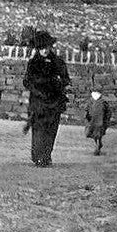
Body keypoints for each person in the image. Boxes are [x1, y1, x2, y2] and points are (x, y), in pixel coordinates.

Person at [22, 30, 70, 167]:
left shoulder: (58, 62)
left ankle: (46, 156)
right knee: (38, 130)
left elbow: (66, 79)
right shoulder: (33, 63)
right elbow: (26, 81)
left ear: (50, 47)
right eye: (41, 48)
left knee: (51, 130)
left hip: (54, 102)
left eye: (46, 47)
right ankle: (38, 157)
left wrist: (58, 82)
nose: (44, 50)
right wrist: (37, 89)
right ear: (37, 49)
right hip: (39, 103)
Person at [84, 89, 112, 155]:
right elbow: (86, 110)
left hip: (100, 121)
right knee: (94, 134)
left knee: (98, 134)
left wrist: (106, 120)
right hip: (92, 121)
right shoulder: (90, 102)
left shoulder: (103, 102)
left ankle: (97, 147)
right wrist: (86, 117)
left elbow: (108, 112)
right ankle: (98, 144)